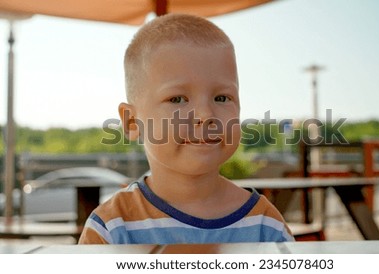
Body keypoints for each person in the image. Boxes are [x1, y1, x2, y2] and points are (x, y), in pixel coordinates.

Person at [78, 13, 294, 244]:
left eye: (222, 98)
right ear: (132, 122)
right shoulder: (110, 228)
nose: (205, 115)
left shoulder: (265, 225)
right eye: (178, 99)